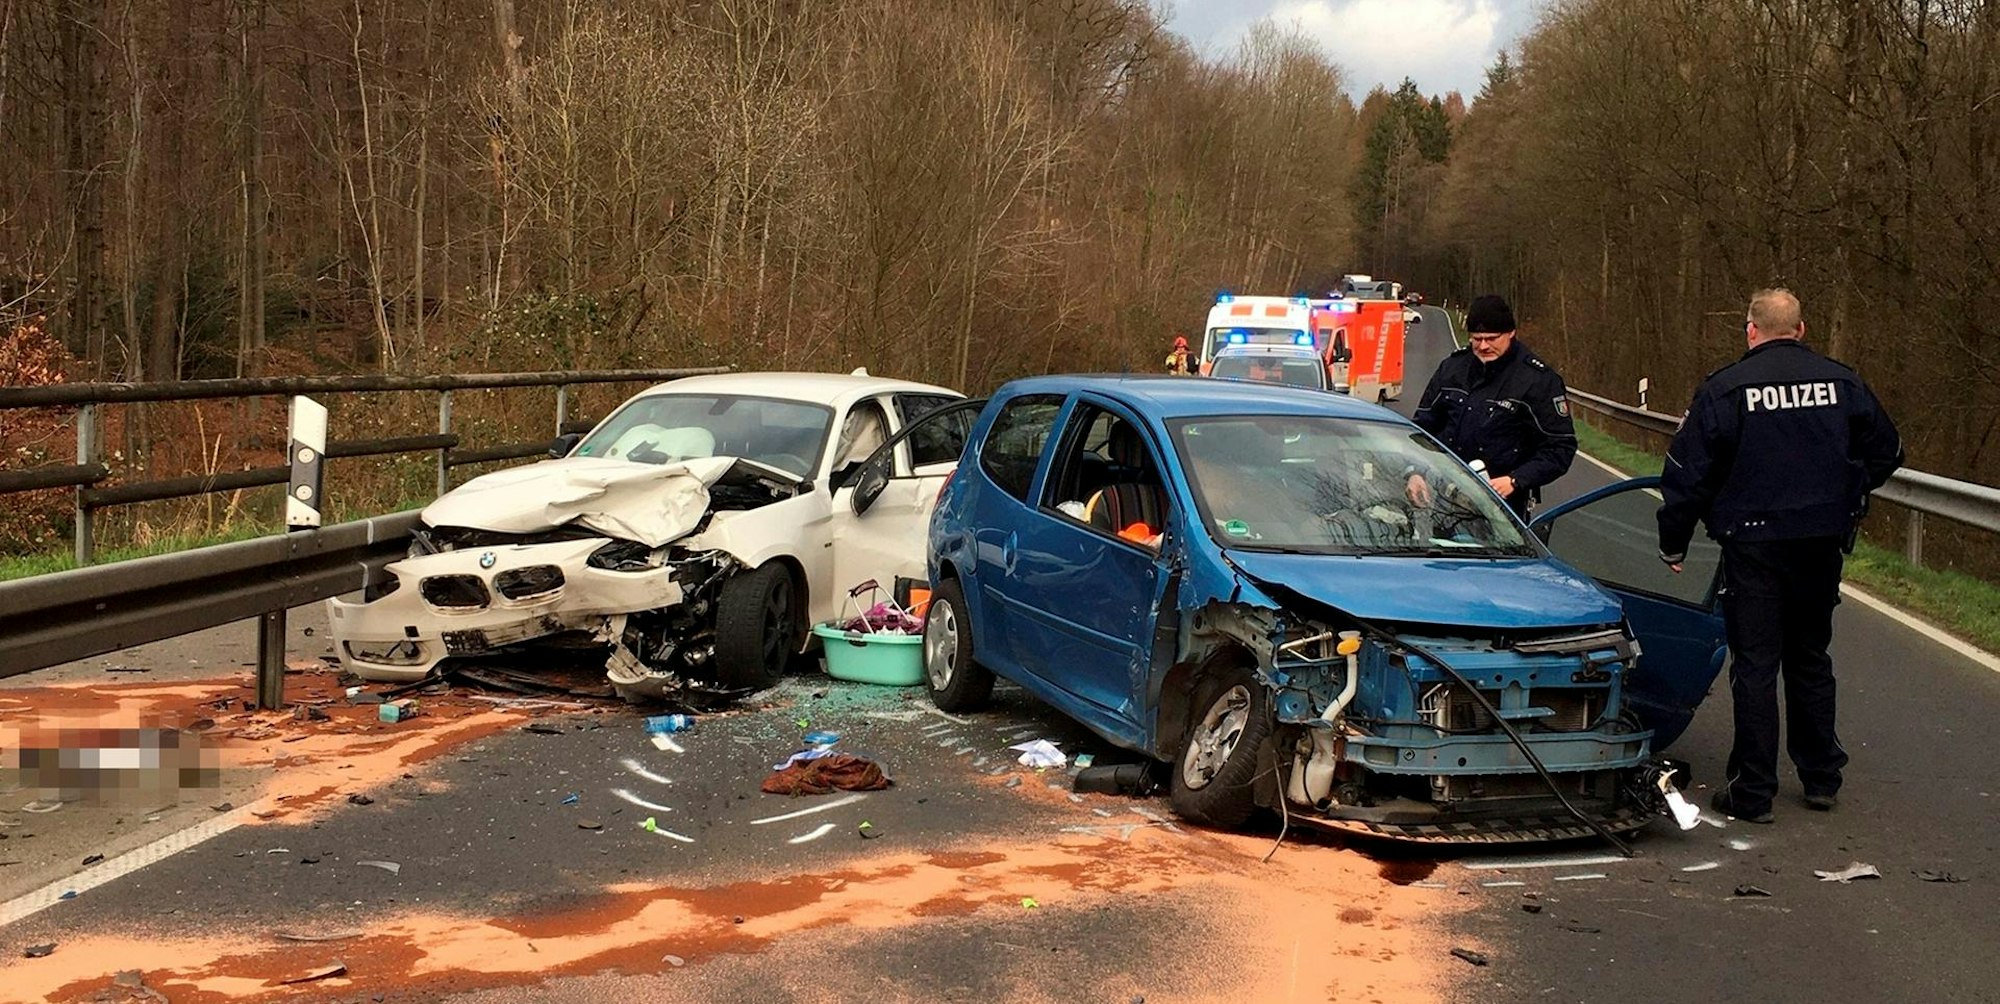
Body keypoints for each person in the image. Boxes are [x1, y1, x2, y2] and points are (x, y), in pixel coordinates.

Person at [1656, 288, 1903, 824]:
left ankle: (1754, 791)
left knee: (1757, 666)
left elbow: (1686, 474)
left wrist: (1673, 537)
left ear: (1751, 329)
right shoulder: (1843, 382)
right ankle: (1821, 778)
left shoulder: (1726, 389)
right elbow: (1889, 451)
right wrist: (1848, 494)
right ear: (1802, 328)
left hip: (1754, 544)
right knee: (1811, 657)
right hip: (1821, 541)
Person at [1405, 294, 1576, 516]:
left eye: (1492, 338)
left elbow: (1560, 448)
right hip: (1447, 501)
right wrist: (1415, 472)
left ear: (1511, 333)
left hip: (1505, 507)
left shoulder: (1537, 380)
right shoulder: (1451, 369)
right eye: (1477, 339)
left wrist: (1515, 480)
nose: (1483, 346)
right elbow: (1423, 429)